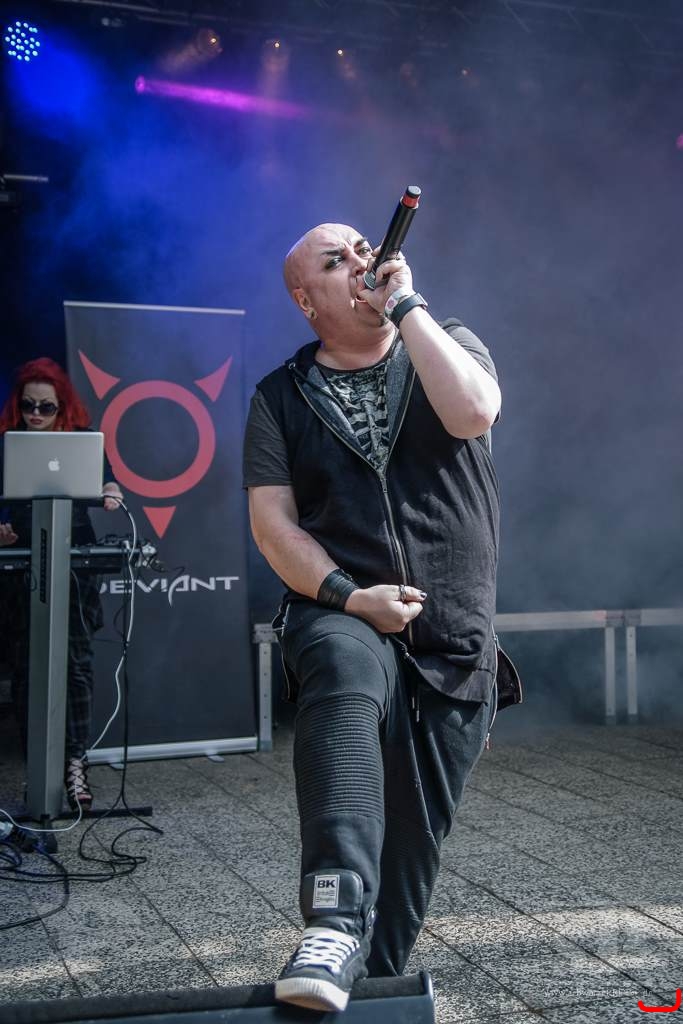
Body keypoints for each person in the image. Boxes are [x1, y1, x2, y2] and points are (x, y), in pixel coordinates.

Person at [243, 220, 521, 1012]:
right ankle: (331, 915)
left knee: (402, 883)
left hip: (452, 639)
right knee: (339, 671)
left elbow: (473, 412)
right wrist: (347, 596)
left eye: (367, 250)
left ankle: (360, 983)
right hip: (344, 610)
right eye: (338, 261)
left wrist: (407, 307)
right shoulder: (279, 397)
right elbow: (273, 525)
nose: (362, 263)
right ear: (307, 302)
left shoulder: (445, 338)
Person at [0, 357, 123, 810]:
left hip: (73, 560)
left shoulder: (81, 441)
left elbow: (108, 484)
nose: (35, 414)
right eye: (28, 405)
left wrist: (111, 493)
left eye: (45, 407)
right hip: (22, 562)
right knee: (26, 666)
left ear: (62, 407)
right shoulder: (6, 443)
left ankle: (74, 763)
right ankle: (39, 768)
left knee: (76, 663)